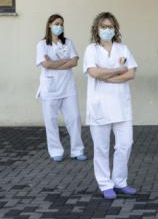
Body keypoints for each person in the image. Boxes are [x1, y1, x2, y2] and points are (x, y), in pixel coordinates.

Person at [83, 12, 137, 199]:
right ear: (97, 29)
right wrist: (117, 70)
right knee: (101, 148)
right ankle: (105, 184)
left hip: (121, 106)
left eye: (110, 26)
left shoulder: (123, 49)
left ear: (115, 29)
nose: (107, 30)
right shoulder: (91, 49)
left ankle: (120, 181)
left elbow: (131, 74)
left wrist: (109, 76)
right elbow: (94, 73)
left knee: (125, 144)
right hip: (99, 107)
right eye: (104, 27)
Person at [36, 14, 86, 162]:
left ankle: (77, 150)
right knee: (50, 120)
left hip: (68, 87)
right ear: (50, 25)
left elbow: (75, 62)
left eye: (61, 24)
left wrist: (55, 63)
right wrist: (65, 61)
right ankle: (55, 151)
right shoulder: (42, 45)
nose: (59, 26)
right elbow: (45, 64)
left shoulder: (68, 43)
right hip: (50, 88)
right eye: (57, 23)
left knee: (74, 118)